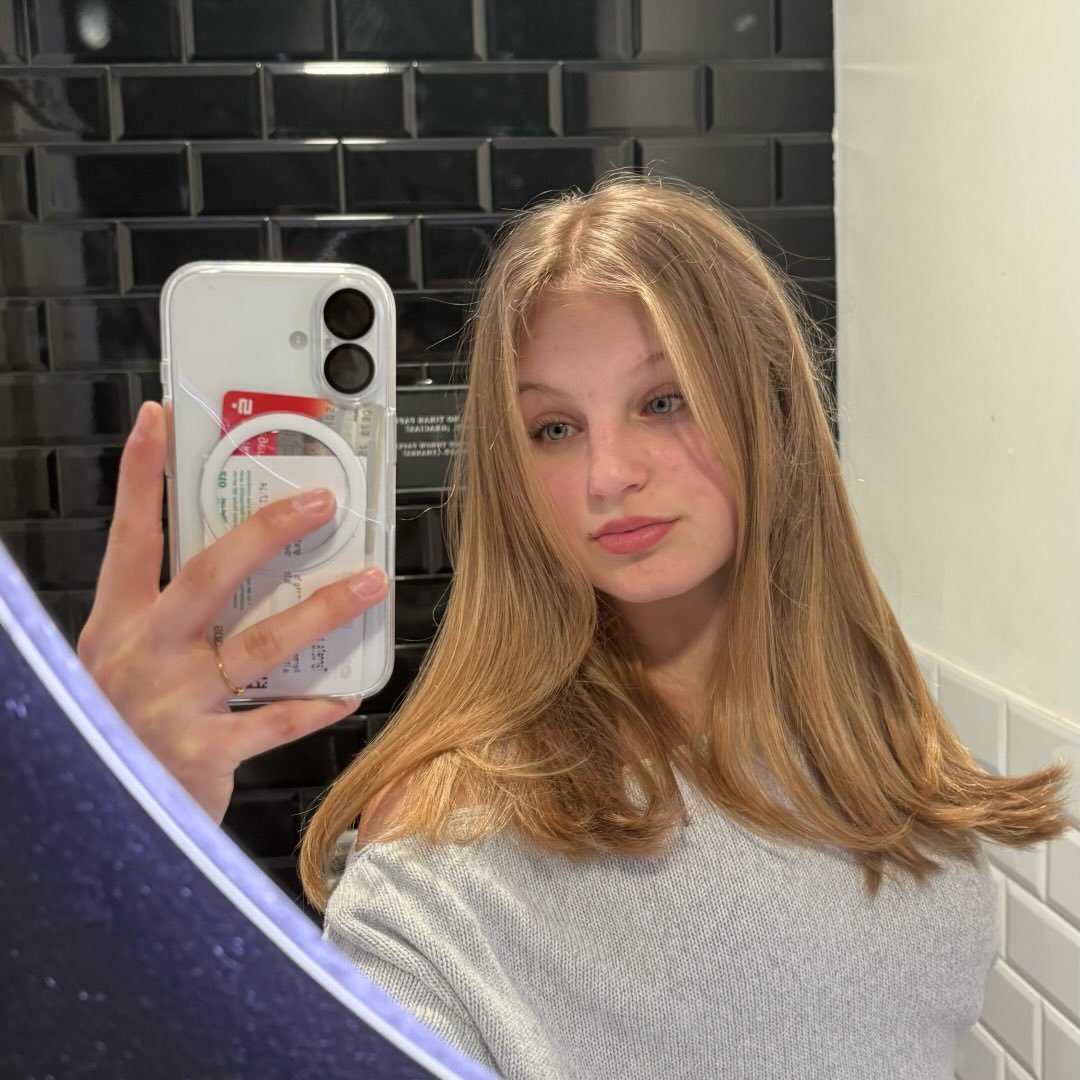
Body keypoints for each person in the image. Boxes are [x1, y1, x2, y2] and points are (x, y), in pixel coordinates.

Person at [79, 174, 1072, 1080]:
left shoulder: (887, 764)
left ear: (772, 408)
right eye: (554, 428)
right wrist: (116, 850)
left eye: (663, 401)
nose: (608, 475)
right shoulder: (453, 857)